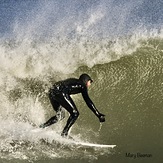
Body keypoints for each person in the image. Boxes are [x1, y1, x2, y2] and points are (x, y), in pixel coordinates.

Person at [39, 73, 105, 137]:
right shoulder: (82, 85)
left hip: (52, 91)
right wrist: (98, 114)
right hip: (60, 91)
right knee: (75, 113)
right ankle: (64, 134)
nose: (90, 84)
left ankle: (42, 127)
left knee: (60, 115)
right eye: (90, 82)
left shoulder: (73, 80)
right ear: (86, 80)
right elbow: (88, 101)